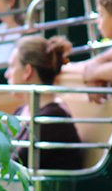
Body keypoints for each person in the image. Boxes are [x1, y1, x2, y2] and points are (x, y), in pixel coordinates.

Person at [6, 35, 84, 171]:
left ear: (27, 71)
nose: (7, 74)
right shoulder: (20, 111)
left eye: (12, 67)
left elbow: (14, 166)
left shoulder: (51, 118)